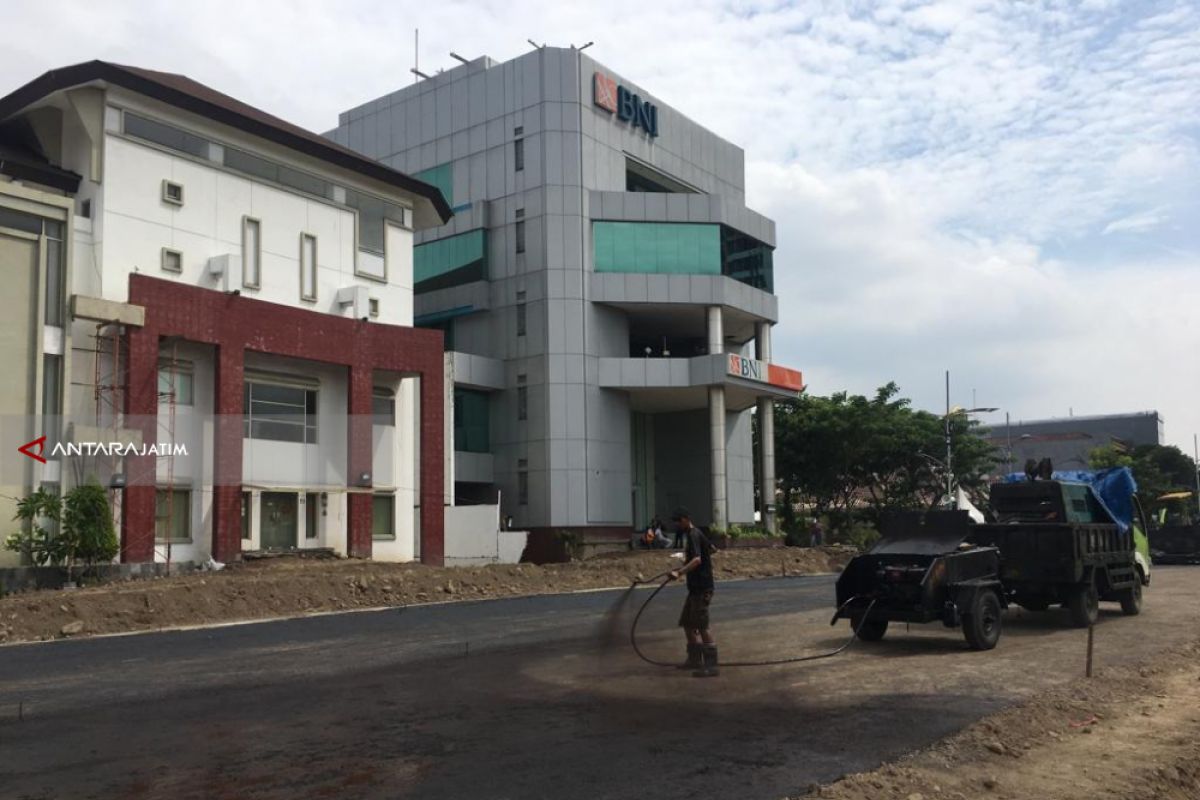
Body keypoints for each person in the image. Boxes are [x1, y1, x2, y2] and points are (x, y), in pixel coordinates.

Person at [667, 507, 718, 678]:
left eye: (678, 522)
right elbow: (712, 549)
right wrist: (686, 561)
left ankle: (711, 666)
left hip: (702, 588)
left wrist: (680, 572)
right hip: (695, 589)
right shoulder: (696, 535)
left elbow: (697, 559)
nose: (677, 526)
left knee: (702, 626)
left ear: (685, 519)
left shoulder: (694, 534)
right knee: (688, 623)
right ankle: (694, 659)